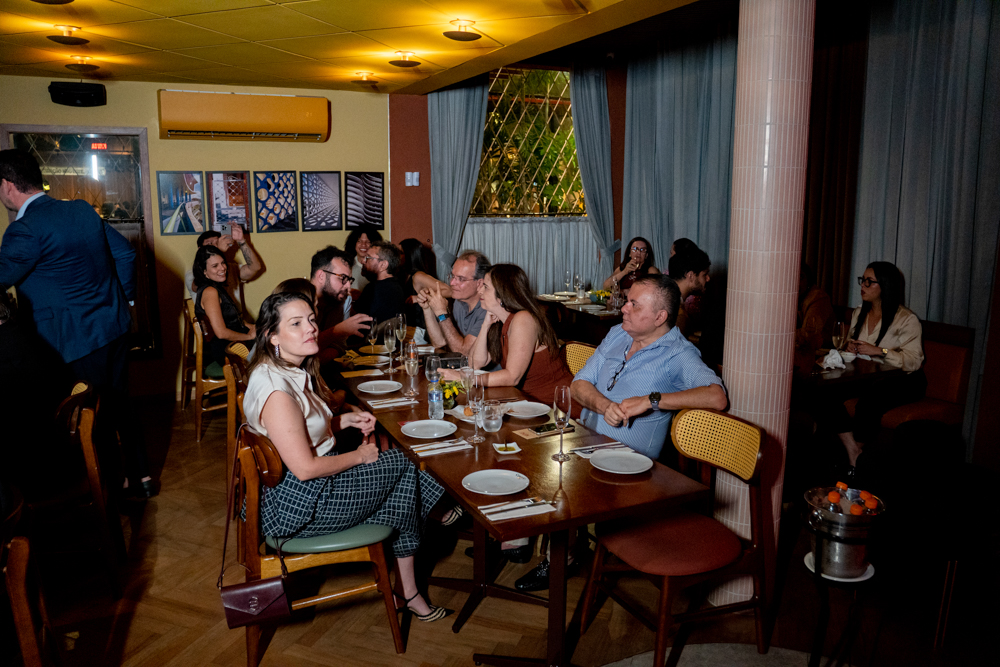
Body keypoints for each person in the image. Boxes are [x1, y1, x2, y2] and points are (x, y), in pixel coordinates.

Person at [243, 292, 450, 621]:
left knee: (405, 482)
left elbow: (298, 434)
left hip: (300, 493)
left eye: (311, 320)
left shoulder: (281, 371)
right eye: (296, 324)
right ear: (273, 336)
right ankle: (408, 588)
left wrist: (341, 422)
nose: (311, 328)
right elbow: (305, 468)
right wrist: (361, 456)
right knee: (417, 464)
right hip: (302, 506)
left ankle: (408, 591)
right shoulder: (277, 392)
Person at [0, 148, 154, 498]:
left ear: (8, 185)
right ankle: (141, 476)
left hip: (72, 339)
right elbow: (125, 253)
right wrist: (125, 301)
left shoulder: (25, 229)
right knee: (120, 402)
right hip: (113, 326)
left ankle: (111, 489)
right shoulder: (82, 210)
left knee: (89, 417)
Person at [439, 264, 578, 416]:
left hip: (558, 409)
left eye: (485, 287)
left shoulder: (523, 319)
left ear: (502, 294)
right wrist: (485, 325)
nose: (479, 291)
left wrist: (465, 378)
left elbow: (512, 377)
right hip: (529, 405)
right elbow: (475, 363)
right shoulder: (501, 321)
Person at [825, 262, 925, 473]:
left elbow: (914, 361)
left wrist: (880, 351)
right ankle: (853, 451)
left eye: (869, 282)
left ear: (886, 286)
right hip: (868, 376)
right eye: (862, 280)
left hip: (905, 379)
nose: (863, 285)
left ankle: (853, 458)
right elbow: (851, 343)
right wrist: (850, 346)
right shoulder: (859, 312)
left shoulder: (906, 320)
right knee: (825, 391)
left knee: (869, 401)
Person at [193, 245, 255, 374]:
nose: (222, 268)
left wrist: (253, 327)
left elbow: (233, 321)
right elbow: (221, 333)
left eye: (222, 263)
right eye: (215, 266)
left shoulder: (216, 288)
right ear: (204, 271)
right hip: (228, 350)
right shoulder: (210, 292)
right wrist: (248, 336)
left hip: (236, 342)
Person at [417, 250, 491, 357]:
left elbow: (463, 353)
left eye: (461, 279)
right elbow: (439, 343)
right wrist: (427, 308)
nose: (452, 283)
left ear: (479, 283)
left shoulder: (487, 309)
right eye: (452, 276)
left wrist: (442, 313)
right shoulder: (459, 303)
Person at [308, 246, 372, 361]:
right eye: (342, 278)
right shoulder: (296, 302)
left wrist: (317, 359)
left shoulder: (339, 300)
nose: (348, 286)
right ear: (321, 276)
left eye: (349, 280)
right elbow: (298, 353)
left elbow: (339, 346)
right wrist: (337, 331)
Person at [184, 226, 263, 307]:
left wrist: (241, 241)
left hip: (236, 314)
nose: (215, 246)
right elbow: (198, 285)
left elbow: (255, 267)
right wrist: (218, 251)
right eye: (210, 244)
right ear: (200, 249)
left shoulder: (228, 267)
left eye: (217, 243)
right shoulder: (192, 273)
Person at [398, 239, 450, 329]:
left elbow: (449, 291)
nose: (397, 256)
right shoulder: (403, 275)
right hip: (408, 328)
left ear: (410, 255)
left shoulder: (418, 276)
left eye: (401, 253)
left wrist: (420, 297)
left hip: (420, 330)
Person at [354, 240, 406, 325]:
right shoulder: (373, 286)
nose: (363, 261)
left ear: (383, 265)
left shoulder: (390, 290)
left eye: (368, 258)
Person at [667, 246, 711, 338]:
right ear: (690, 276)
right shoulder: (677, 312)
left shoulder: (669, 295)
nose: (708, 279)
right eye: (704, 274)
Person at [796, 263, 834, 350]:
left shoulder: (818, 297)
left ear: (808, 280)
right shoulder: (790, 297)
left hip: (822, 351)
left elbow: (809, 333)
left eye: (801, 277)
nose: (796, 282)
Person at [344, 224, 382, 293]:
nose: (363, 245)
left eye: (368, 242)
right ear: (354, 243)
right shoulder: (347, 265)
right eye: (359, 241)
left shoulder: (378, 267)